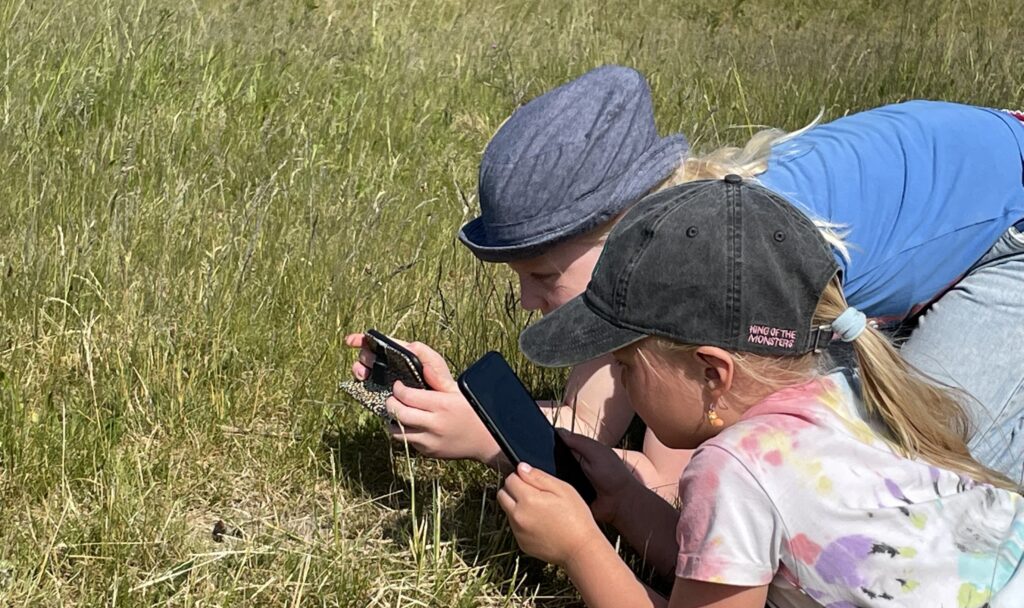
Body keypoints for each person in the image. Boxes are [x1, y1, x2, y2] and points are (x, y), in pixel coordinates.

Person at [346, 66, 1024, 493]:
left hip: (1011, 231)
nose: (526, 300)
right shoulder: (662, 248)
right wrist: (466, 412)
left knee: (918, 480)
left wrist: (493, 446)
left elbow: (673, 486)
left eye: (543, 274)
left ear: (624, 229)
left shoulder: (730, 272)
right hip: (973, 186)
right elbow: (591, 429)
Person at [501, 175, 1024, 608]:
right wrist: (628, 504)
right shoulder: (842, 386)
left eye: (627, 366)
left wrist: (579, 547)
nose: (623, 386)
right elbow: (728, 571)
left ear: (711, 374)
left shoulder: (733, 468)